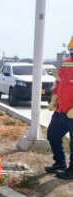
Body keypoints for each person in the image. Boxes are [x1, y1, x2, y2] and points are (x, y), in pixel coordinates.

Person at [45, 35, 73, 179]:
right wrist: (54, 98)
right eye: (71, 50)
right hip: (61, 110)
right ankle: (60, 162)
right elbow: (59, 83)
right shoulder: (66, 63)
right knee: (52, 135)